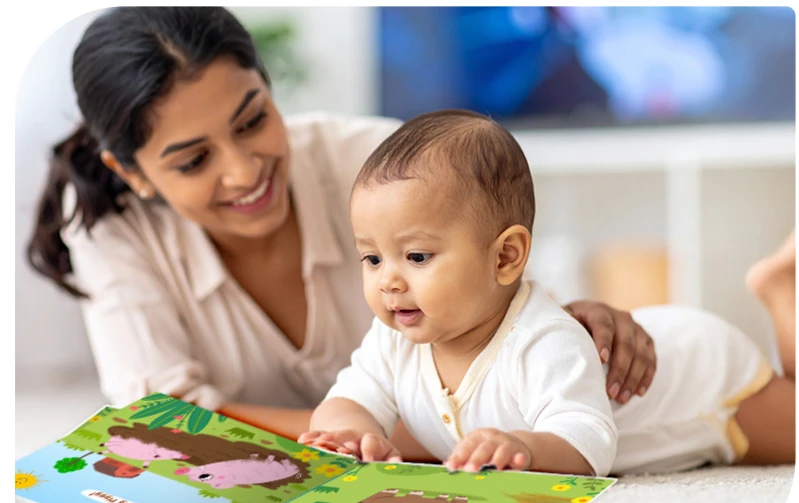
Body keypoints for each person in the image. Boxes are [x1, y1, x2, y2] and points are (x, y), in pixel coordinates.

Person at [26, 7, 658, 461]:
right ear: (131, 174)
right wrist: (352, 435)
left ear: (271, 92)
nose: (244, 171)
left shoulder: (381, 167)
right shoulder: (112, 230)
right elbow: (160, 419)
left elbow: (501, 308)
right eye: (194, 161)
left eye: (253, 121)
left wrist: (572, 325)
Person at [299, 110, 795, 476]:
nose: (388, 280)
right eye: (372, 259)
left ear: (505, 257)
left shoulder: (541, 340)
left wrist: (525, 449)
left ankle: (780, 291)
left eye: (417, 256)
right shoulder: (393, 342)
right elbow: (350, 400)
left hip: (705, 385)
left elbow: (587, 440)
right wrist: (347, 433)